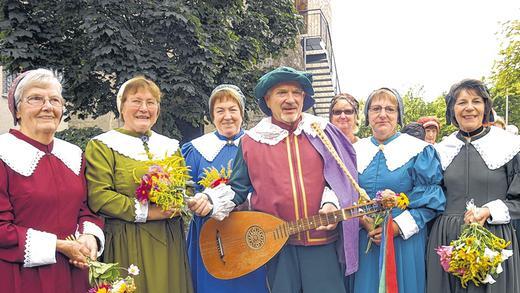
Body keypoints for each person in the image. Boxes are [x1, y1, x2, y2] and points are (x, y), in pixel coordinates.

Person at [189, 66, 359, 293]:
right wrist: (211, 200)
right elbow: (238, 188)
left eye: (296, 92)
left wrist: (330, 202)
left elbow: (340, 178)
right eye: (282, 93)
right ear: (267, 100)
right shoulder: (251, 141)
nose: (290, 99)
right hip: (276, 247)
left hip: (321, 242)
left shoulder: (321, 132)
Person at [0, 69, 104, 293]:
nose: (47, 106)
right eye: (36, 98)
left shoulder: (74, 154)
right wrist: (58, 246)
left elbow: (86, 209)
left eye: (54, 100)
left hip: (73, 272)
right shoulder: (3, 153)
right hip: (19, 277)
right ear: (17, 110)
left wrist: (89, 237)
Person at [85, 76, 193, 293]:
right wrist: (150, 212)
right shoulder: (103, 145)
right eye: (136, 101)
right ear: (122, 107)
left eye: (151, 102)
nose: (144, 108)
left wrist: (177, 201)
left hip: (169, 239)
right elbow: (99, 196)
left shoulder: (170, 146)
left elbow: (186, 187)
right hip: (128, 240)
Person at [426, 79, 520, 293]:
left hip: (494, 238)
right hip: (446, 239)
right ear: (452, 109)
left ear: (486, 107)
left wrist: (490, 210)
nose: (469, 107)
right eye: (461, 102)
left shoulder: (509, 146)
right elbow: (430, 195)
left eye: (476, 101)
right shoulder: (440, 150)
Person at [352, 88, 445, 293]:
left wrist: (396, 228)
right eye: (376, 108)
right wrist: (363, 220)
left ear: (399, 115)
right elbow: (346, 194)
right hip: (364, 238)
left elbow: (432, 199)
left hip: (402, 240)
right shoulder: (354, 151)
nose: (382, 114)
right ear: (367, 116)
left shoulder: (418, 150)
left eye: (390, 109)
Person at [182, 84, 267, 293]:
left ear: (242, 114)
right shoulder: (195, 150)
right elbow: (184, 191)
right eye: (220, 111)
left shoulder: (258, 145)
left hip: (250, 233)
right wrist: (196, 201)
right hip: (210, 236)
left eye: (233, 110)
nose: (227, 116)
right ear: (212, 116)